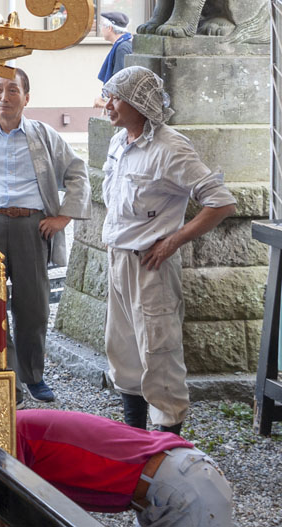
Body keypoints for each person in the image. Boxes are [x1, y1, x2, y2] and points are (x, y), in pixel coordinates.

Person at [0, 69, 90, 403]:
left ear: (27, 97)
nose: (4, 97)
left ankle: (32, 376)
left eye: (13, 90)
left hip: (31, 227)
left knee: (33, 305)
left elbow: (77, 172)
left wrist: (64, 216)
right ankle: (3, 376)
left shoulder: (44, 135)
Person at [101, 66, 235, 433]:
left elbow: (221, 202)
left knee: (159, 356)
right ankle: (134, 440)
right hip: (118, 259)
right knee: (123, 351)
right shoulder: (119, 142)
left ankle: (167, 451)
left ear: (139, 104)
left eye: (116, 98)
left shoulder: (170, 148)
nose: (108, 104)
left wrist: (174, 240)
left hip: (151, 266)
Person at [16, 409, 232, 526]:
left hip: (181, 487)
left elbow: (12, 509)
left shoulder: (12, 433)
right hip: (175, 480)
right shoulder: (19, 426)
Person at [94, 11, 133, 106]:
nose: (101, 29)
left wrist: (105, 101)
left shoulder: (122, 48)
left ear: (110, 28)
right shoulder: (124, 44)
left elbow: (119, 81)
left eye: (102, 26)